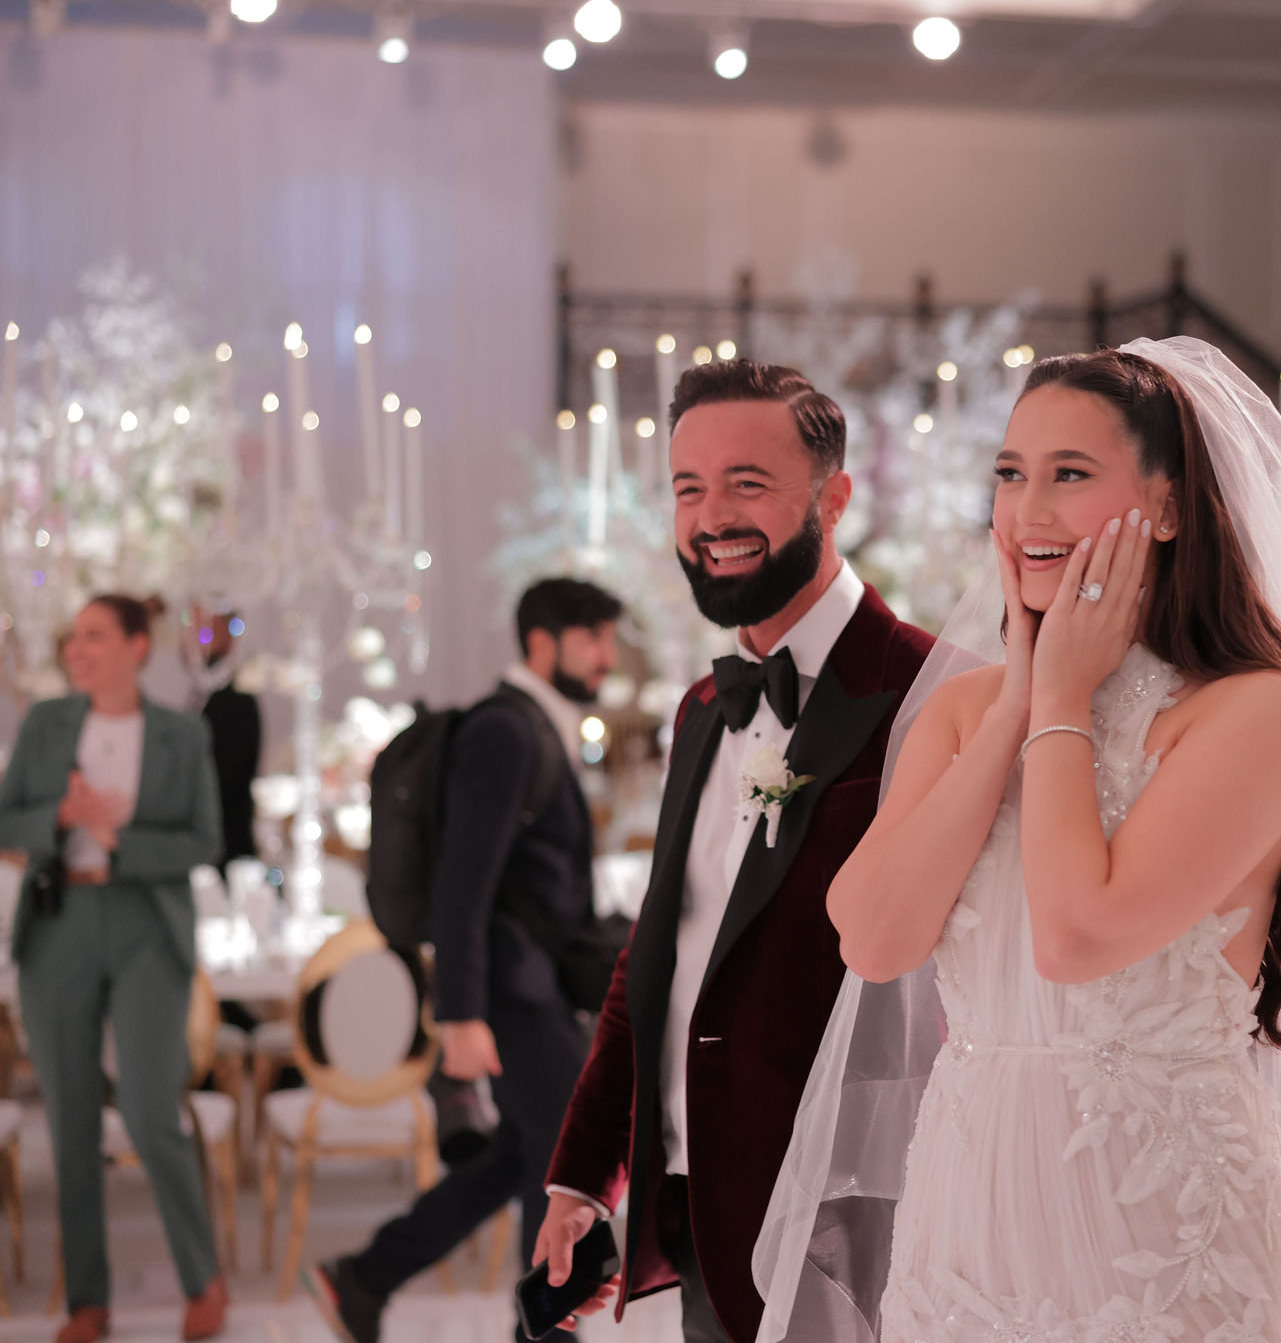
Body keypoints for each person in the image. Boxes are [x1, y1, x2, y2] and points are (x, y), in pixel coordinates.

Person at [749, 340, 1281, 1343]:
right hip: (966, 1211)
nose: (1028, 512)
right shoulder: (968, 707)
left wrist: (1061, 698)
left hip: (1158, 1219)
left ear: (1168, 506)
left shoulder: (1255, 712)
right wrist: (1019, 699)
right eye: (1011, 475)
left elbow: (1077, 937)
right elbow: (873, 938)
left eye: (1070, 474)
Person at [533, 360, 935, 1342]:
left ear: (834, 498)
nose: (711, 516)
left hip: (863, 1220)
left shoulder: (930, 693)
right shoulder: (703, 709)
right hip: (701, 1209)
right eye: (688, 488)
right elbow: (661, 953)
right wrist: (584, 1176)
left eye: (746, 483)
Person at [306, 578, 623, 1343]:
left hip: (527, 984)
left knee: (519, 1156)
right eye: (592, 639)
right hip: (509, 992)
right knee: (567, 1160)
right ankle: (543, 1334)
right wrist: (461, 1014)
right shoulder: (505, 731)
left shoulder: (534, 726)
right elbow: (462, 881)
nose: (608, 658)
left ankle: (363, 1278)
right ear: (541, 643)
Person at [0, 594, 229, 1343]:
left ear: (138, 646)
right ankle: (87, 1302)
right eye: (74, 636)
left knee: (148, 1108)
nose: (78, 648)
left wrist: (119, 835)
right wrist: (62, 819)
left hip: (145, 928)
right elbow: (5, 821)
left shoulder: (181, 734)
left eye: (95, 635)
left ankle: (204, 1280)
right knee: (69, 1118)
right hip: (58, 925)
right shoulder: (45, 725)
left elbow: (204, 840)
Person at [187, 607, 261, 867]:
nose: (195, 638)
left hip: (227, 844)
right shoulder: (201, 693)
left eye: (206, 630)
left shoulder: (238, 699)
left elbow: (222, 779)